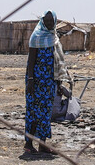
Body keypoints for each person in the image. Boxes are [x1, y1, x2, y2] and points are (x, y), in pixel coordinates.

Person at [24, 10, 70, 155]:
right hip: (36, 81)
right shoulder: (36, 37)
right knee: (33, 111)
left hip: (49, 82)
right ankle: (28, 144)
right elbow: (31, 61)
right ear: (43, 21)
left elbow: (58, 62)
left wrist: (58, 83)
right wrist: (30, 80)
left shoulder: (54, 38)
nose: (49, 23)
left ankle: (42, 144)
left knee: (45, 113)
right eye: (47, 21)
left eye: (52, 21)